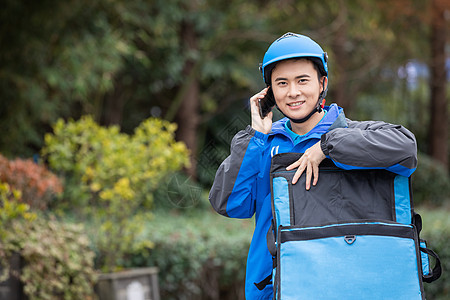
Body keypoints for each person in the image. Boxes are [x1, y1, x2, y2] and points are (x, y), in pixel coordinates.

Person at [209, 32, 417, 300]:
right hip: (274, 291)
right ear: (269, 93)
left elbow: (406, 149)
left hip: (349, 288)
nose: (293, 92)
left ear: (322, 83)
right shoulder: (261, 143)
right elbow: (228, 203)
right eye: (281, 83)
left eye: (302, 80)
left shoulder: (354, 133)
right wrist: (256, 135)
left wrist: (325, 147)